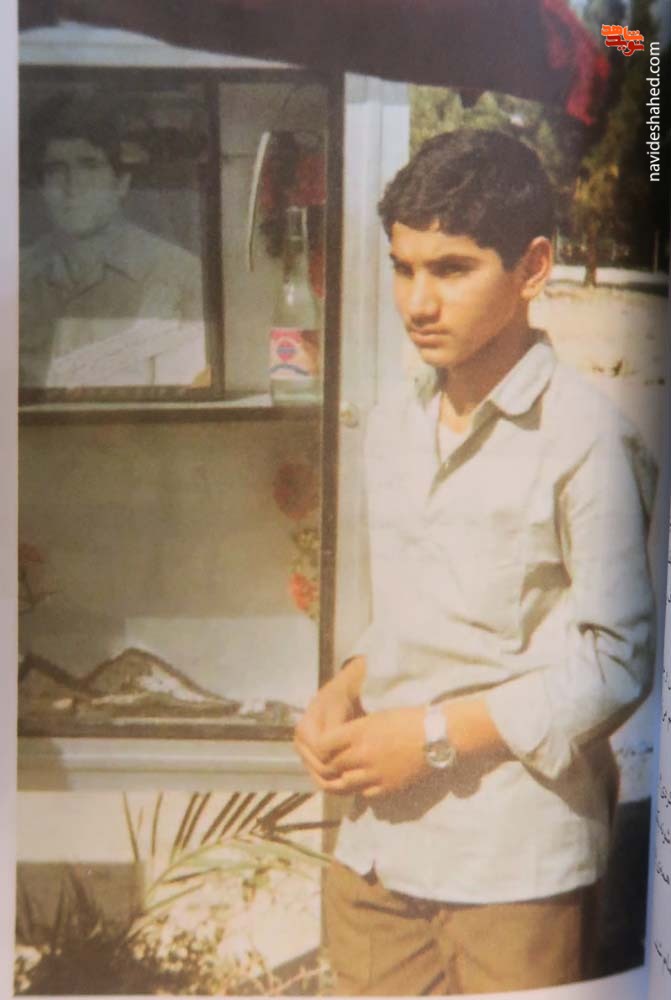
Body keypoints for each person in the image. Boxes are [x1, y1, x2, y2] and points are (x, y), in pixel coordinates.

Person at [295, 129, 656, 995]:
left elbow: (618, 660)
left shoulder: (585, 438)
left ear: (532, 268)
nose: (417, 301)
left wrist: (428, 738)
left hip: (513, 870)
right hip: (377, 857)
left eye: (451, 269)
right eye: (402, 268)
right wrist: (344, 688)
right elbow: (416, 615)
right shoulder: (394, 422)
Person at [20, 93, 208, 388]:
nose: (73, 185)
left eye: (90, 166)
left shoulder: (179, 274)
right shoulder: (16, 276)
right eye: (55, 169)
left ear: (121, 182)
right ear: (41, 187)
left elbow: (189, 394)